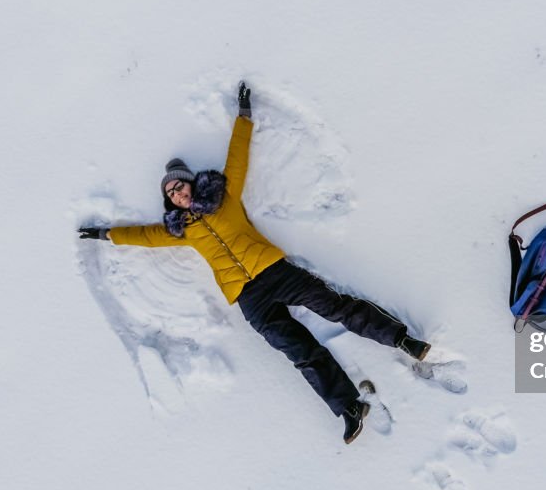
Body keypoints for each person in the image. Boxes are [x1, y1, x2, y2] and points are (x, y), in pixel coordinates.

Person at [79, 81, 430, 444]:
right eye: (170, 193)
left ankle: (401, 340)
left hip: (274, 271)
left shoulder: (223, 197)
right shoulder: (180, 229)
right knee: (300, 352)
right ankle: (348, 407)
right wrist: (105, 234)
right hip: (248, 298)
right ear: (169, 200)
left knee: (336, 307)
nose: (177, 193)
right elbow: (144, 236)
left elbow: (237, 157)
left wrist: (244, 113)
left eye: (179, 186)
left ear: (190, 185)